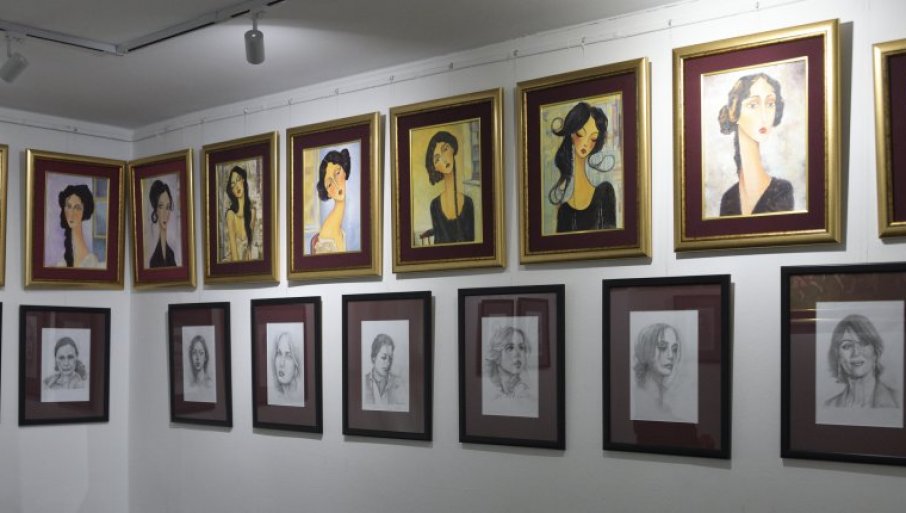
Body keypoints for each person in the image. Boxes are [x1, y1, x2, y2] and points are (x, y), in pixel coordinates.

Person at [717, 72, 794, 216]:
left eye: (770, 104)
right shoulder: (728, 199)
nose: (764, 116)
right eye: (753, 105)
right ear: (735, 112)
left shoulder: (782, 192)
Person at [548, 101, 615, 232]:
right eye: (580, 134)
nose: (585, 143)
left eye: (593, 138)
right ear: (571, 134)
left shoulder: (605, 193)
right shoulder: (564, 212)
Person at [825, 314, 899, 408]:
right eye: (847, 346)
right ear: (837, 356)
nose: (856, 353)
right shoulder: (829, 406)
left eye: (863, 343)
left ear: (875, 352)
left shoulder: (898, 400)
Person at [423, 130, 474, 243]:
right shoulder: (434, 205)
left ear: (452, 148)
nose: (444, 159)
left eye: (445, 149)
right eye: (437, 159)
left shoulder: (468, 203)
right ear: (435, 167)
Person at [633, 323, 681, 414]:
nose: (671, 355)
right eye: (663, 347)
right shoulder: (639, 396)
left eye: (674, 348)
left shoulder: (665, 401)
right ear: (646, 349)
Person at [311, 149, 351, 254]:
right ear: (327, 193)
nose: (336, 185)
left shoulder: (340, 230)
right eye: (329, 184)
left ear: (345, 172)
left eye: (337, 173)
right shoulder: (327, 234)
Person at [484, 326, 534, 401]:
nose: (518, 354)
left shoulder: (528, 395)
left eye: (521, 347)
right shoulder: (489, 394)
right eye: (510, 348)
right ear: (496, 355)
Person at [57, 184, 99, 268]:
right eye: (69, 206)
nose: (71, 213)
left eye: (77, 208)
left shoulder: (90, 261)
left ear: (85, 211)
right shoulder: (63, 262)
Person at [363, 334, 406, 408]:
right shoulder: (363, 382)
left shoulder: (399, 384)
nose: (388, 363)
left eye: (390, 358)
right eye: (383, 357)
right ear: (374, 357)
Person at [224, 165, 256, 261]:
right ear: (232, 191)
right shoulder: (230, 215)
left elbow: (249, 250)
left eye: (238, 180)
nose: (236, 186)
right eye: (233, 184)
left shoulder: (252, 212)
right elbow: (234, 255)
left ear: (243, 180)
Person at [148, 179, 177, 267]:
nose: (165, 213)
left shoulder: (171, 254)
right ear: (156, 210)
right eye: (161, 206)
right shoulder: (153, 260)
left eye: (167, 207)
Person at [272, 332, 303, 402]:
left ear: (296, 366)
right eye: (279, 353)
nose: (281, 363)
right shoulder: (276, 397)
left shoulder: (298, 398)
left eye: (288, 356)